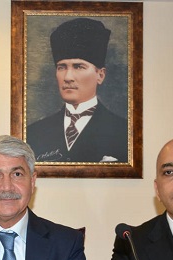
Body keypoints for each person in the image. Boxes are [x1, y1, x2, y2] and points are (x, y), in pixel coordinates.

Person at [27, 17, 128, 163]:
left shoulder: (123, 132)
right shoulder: (33, 133)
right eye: (61, 67)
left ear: (100, 75)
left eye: (78, 67)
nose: (68, 77)